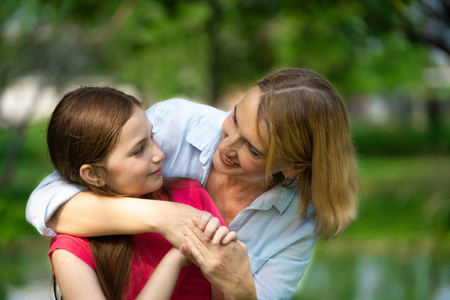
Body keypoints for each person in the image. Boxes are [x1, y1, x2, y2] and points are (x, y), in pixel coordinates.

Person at [27, 68, 360, 299]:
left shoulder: (298, 221)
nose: (226, 146)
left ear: (294, 167)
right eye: (234, 118)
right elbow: (47, 202)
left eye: (253, 149)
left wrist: (242, 288)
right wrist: (165, 216)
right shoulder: (174, 126)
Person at [44, 87, 236, 300]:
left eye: (151, 137)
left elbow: (226, 292)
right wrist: (175, 260)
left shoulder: (190, 196)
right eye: (138, 150)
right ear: (93, 174)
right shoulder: (71, 249)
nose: (159, 154)